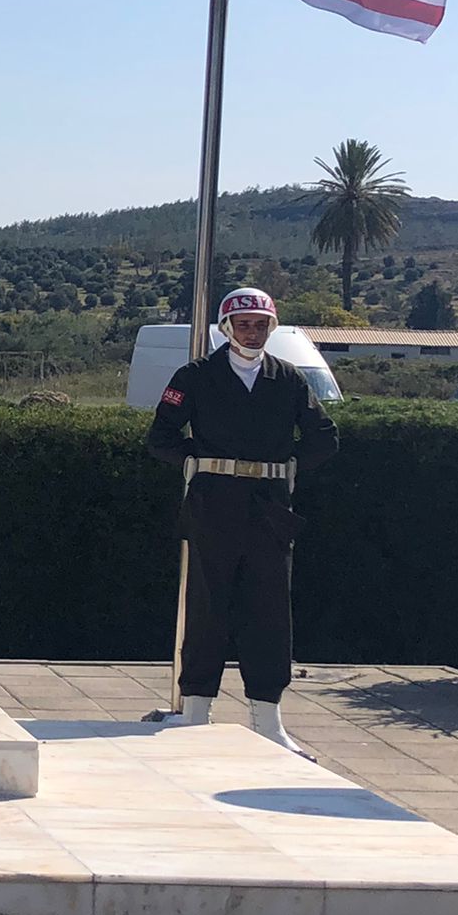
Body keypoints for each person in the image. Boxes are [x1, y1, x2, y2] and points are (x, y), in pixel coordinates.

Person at [145, 286, 337, 756]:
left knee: (269, 611)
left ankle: (268, 721)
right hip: (213, 503)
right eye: (244, 324)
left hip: (269, 507)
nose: (252, 333)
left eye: (261, 325)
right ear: (227, 328)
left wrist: (288, 464)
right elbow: (161, 436)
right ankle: (196, 711)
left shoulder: (288, 378)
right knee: (207, 606)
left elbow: (324, 436)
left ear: (272, 327)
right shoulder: (195, 376)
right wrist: (198, 460)